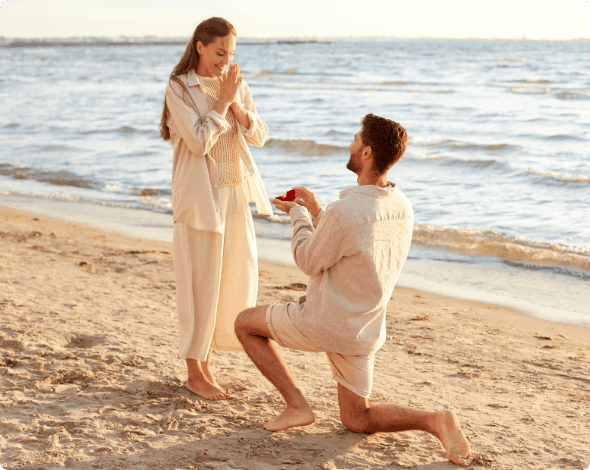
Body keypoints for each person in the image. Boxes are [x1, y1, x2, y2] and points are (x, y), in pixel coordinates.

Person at [234, 114, 472, 466]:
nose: (350, 145)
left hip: (324, 321)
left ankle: (297, 404)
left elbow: (309, 260)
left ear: (367, 152)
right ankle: (435, 420)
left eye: (355, 140)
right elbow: (354, 246)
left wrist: (298, 216)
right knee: (356, 419)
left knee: (244, 323)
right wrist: (317, 210)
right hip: (363, 329)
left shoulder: (345, 212)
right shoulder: (402, 207)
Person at [160, 17, 273, 400]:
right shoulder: (179, 87)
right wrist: (224, 103)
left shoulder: (235, 84)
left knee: (230, 283)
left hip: (234, 193)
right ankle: (194, 371)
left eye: (232, 53)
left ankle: (206, 366)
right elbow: (198, 142)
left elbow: (260, 136)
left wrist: (241, 111)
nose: (226, 60)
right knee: (199, 285)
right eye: (220, 52)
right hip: (199, 198)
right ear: (201, 47)